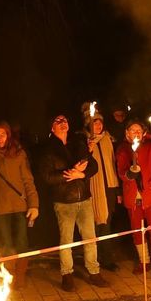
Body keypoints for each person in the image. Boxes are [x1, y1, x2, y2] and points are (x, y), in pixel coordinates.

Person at [40, 114, 108, 291]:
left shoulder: (78, 142)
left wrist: (82, 174)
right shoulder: (48, 149)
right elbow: (47, 176)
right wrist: (70, 173)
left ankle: (94, 272)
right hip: (64, 201)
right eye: (58, 121)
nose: (63, 123)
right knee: (66, 241)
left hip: (84, 198)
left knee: (90, 238)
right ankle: (67, 275)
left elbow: (93, 165)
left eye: (65, 120)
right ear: (52, 128)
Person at [0, 121, 39, 286]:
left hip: (20, 206)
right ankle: (9, 276)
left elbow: (28, 180)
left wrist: (34, 205)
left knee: (22, 242)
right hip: (0, 209)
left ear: (8, 135)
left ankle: (20, 277)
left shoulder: (19, 154)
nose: (0, 138)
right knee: (5, 244)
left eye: (3, 134)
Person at [116, 120, 151, 272]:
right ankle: (143, 261)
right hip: (133, 198)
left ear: (144, 133)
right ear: (127, 133)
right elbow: (121, 172)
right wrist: (129, 174)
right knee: (137, 231)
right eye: (133, 130)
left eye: (139, 130)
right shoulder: (123, 149)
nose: (136, 133)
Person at [84, 109, 123, 270]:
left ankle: (106, 258)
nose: (98, 125)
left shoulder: (108, 139)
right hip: (94, 188)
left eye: (99, 122)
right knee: (95, 225)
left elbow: (113, 163)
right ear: (89, 125)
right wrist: (89, 149)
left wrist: (118, 190)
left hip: (109, 187)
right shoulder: (85, 141)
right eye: (94, 122)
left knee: (107, 224)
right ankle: (96, 259)